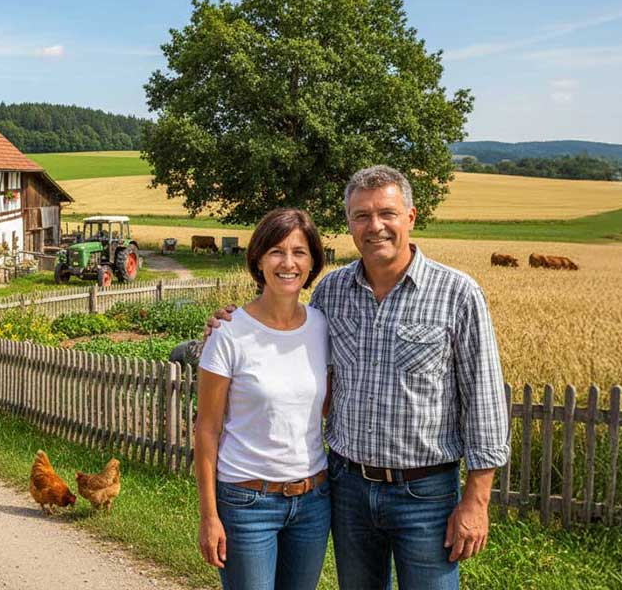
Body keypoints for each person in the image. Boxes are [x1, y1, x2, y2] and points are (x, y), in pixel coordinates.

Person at [205, 165, 509, 590]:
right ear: (349, 223)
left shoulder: (458, 294)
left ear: (410, 217)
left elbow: (486, 401)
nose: (375, 226)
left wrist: (476, 500)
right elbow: (282, 329)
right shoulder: (332, 293)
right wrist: (226, 323)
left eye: (386, 213)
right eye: (361, 215)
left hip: (425, 494)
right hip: (348, 490)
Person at [194, 207, 332, 590]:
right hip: (247, 502)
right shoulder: (229, 333)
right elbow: (206, 430)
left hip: (313, 501)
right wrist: (209, 516)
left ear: (312, 262)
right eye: (276, 251)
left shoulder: (322, 327)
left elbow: (323, 406)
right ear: (257, 259)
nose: (288, 263)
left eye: (299, 252)